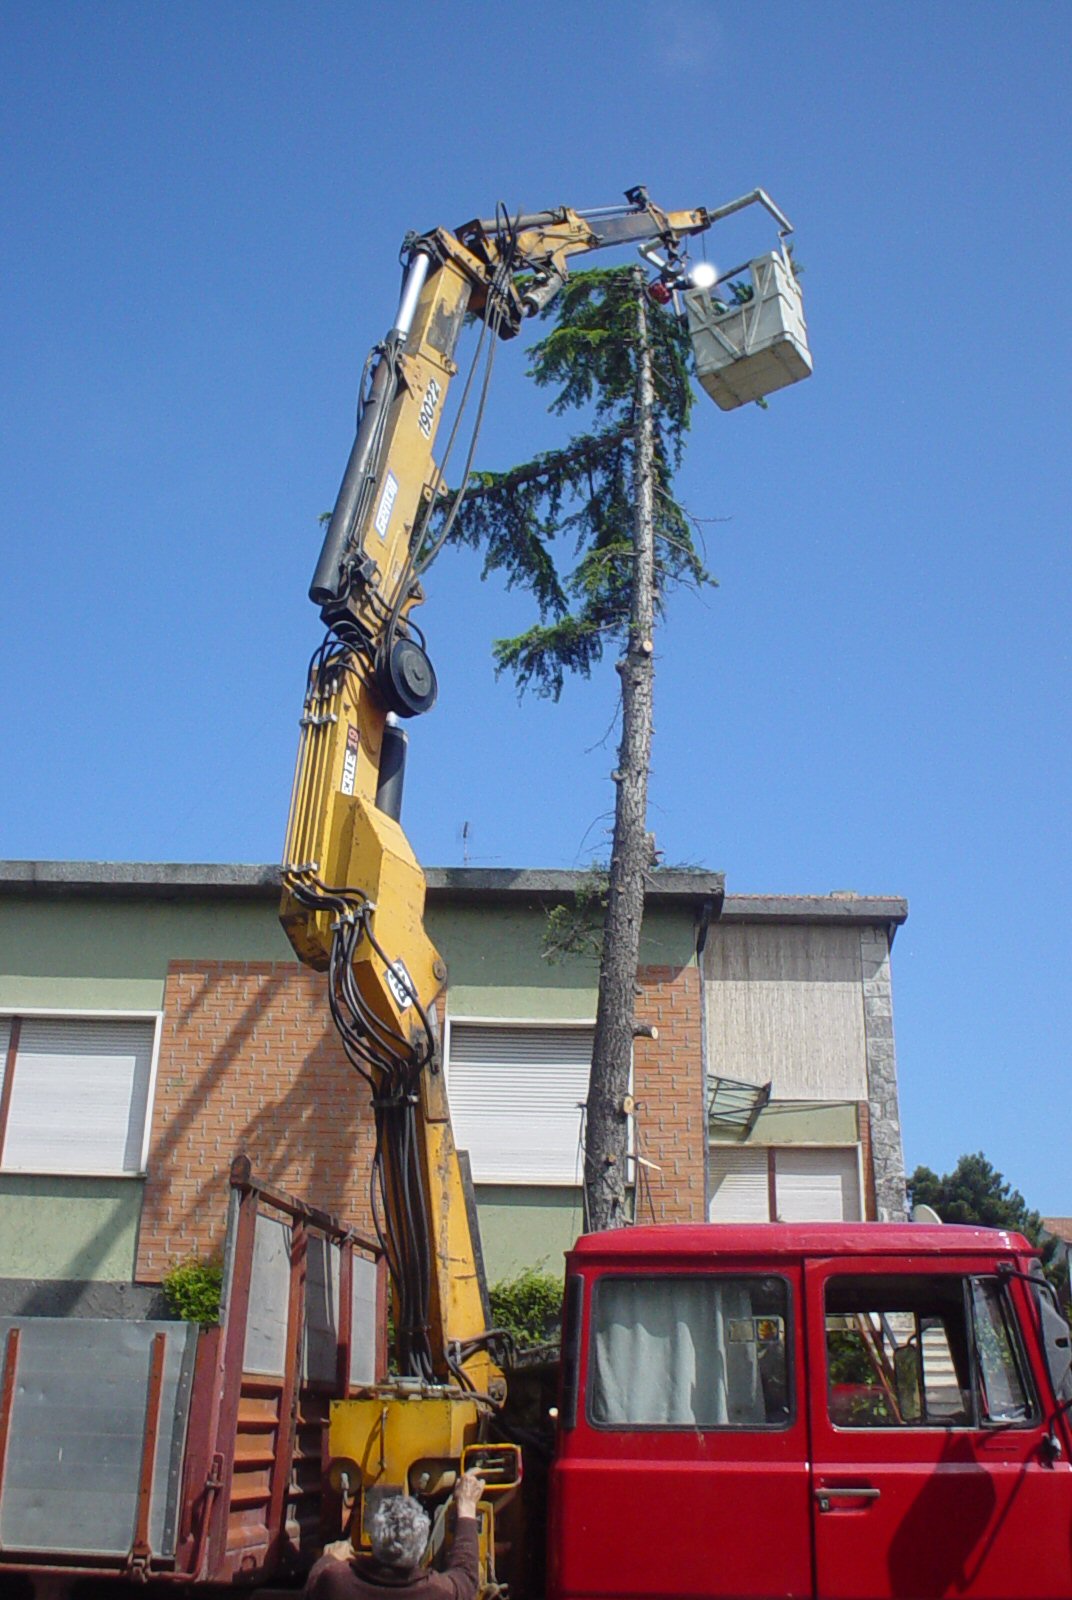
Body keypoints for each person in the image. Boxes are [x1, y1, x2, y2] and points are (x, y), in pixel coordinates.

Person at [303, 1471, 485, 1600]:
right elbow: (467, 1576)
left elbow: (313, 1584)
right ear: (421, 1547)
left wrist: (329, 1558)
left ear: (373, 1539)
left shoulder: (335, 1583)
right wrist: (466, 1506)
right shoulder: (439, 1592)